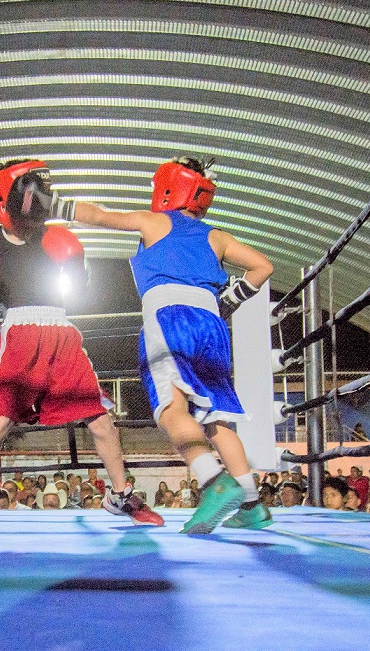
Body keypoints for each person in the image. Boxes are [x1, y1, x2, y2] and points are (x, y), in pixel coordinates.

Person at [0, 160, 163, 534]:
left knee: (101, 419)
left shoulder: (55, 236)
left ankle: (122, 495)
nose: (35, 201)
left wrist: (78, 266)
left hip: (60, 330)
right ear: (10, 197)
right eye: (29, 193)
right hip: (17, 332)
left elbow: (80, 291)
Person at [56, 157, 274, 533]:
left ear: (169, 187)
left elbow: (99, 216)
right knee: (215, 418)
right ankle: (252, 505)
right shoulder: (216, 236)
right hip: (212, 324)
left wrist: (52, 205)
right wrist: (231, 300)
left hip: (169, 317)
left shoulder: (155, 221)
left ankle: (213, 481)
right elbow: (262, 267)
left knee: (172, 410)